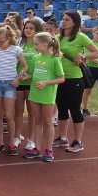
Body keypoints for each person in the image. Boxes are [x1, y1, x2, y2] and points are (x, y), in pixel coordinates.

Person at [54, 11, 98, 152]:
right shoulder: (57, 37)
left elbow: (97, 53)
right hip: (60, 78)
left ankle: (78, 141)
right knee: (61, 109)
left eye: (67, 19)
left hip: (75, 79)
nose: (63, 21)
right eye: (63, 18)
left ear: (74, 22)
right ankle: (62, 138)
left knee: (74, 109)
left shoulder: (80, 37)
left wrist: (83, 54)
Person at [0, 25, 27, 156]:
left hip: (10, 84)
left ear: (9, 39)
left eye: (1, 41)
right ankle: (0, 142)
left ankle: (12, 143)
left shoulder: (16, 50)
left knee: (9, 115)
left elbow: (25, 67)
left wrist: (18, 78)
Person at [25, 32, 65, 162]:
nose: (35, 46)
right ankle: (36, 148)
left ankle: (48, 150)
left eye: (37, 44)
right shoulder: (36, 57)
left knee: (48, 122)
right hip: (34, 93)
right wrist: (25, 77)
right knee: (38, 121)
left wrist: (46, 82)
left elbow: (61, 78)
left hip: (47, 95)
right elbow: (32, 73)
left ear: (45, 44)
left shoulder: (55, 59)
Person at [14, 20, 42, 151]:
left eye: (31, 28)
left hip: (32, 82)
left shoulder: (39, 44)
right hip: (19, 82)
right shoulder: (19, 42)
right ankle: (17, 137)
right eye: (26, 27)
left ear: (37, 30)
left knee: (32, 112)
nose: (28, 30)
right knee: (18, 111)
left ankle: (31, 139)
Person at [83, 26, 98, 117]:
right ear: (93, 33)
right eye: (97, 33)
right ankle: (85, 109)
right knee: (88, 90)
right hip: (92, 69)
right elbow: (91, 59)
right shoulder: (90, 44)